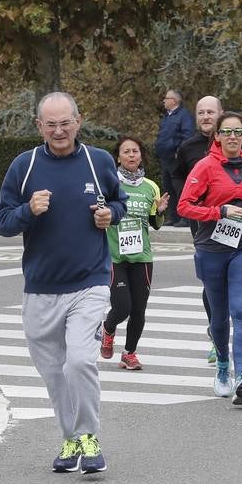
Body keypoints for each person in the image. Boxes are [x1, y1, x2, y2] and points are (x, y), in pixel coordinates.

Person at [0, 92, 125, 475]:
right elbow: (2, 222)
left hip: (90, 281)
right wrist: (28, 211)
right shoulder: (25, 165)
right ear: (39, 127)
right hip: (40, 288)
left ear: (78, 121)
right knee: (54, 374)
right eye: (50, 124)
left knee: (80, 361)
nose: (59, 130)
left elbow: (120, 202)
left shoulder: (98, 161)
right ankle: (70, 439)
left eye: (65, 122)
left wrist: (108, 215)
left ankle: (89, 436)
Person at [177, 110, 242, 407]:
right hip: (212, 247)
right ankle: (221, 365)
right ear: (216, 136)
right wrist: (219, 211)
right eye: (226, 132)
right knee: (219, 316)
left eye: (238, 132)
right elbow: (184, 206)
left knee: (241, 311)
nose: (232, 137)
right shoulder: (204, 166)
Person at [99, 136, 167, 372]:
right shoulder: (109, 184)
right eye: (126, 151)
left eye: (135, 151)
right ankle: (108, 328)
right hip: (115, 256)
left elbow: (155, 223)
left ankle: (129, 354)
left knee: (139, 309)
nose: (131, 155)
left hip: (142, 257)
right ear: (118, 156)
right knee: (122, 307)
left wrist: (158, 212)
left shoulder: (151, 187)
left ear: (141, 156)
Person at [175, 95, 222, 363]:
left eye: (210, 112)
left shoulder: (236, 142)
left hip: (232, 222)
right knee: (211, 279)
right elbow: (177, 174)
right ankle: (216, 334)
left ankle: (224, 331)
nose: (205, 117)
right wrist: (191, 197)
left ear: (220, 114)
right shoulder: (188, 147)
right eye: (201, 112)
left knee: (232, 277)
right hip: (202, 222)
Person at [155, 90, 193, 226]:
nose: (164, 101)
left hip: (176, 158)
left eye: (166, 98)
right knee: (168, 188)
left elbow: (187, 135)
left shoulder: (184, 116)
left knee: (180, 187)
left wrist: (180, 152)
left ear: (174, 101)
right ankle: (173, 217)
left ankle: (185, 217)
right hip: (165, 158)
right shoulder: (167, 117)